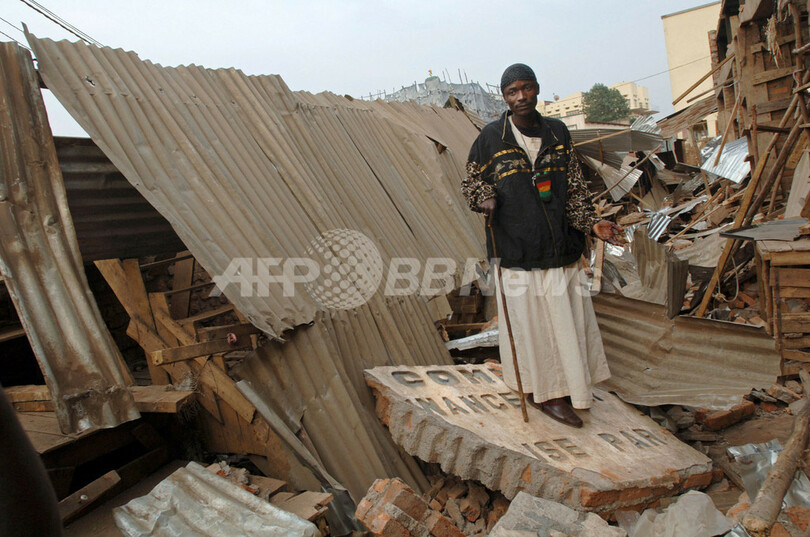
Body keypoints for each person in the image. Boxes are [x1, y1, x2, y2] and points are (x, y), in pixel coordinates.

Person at [461, 63, 624, 428]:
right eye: (512, 92)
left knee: (565, 323)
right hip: (518, 249)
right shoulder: (491, 137)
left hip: (560, 247)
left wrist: (592, 224)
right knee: (533, 326)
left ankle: (572, 387)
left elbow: (576, 191)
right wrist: (484, 196)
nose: (521, 97)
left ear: (537, 89)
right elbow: (470, 183)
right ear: (504, 97)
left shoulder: (557, 131)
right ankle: (546, 393)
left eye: (526, 88)